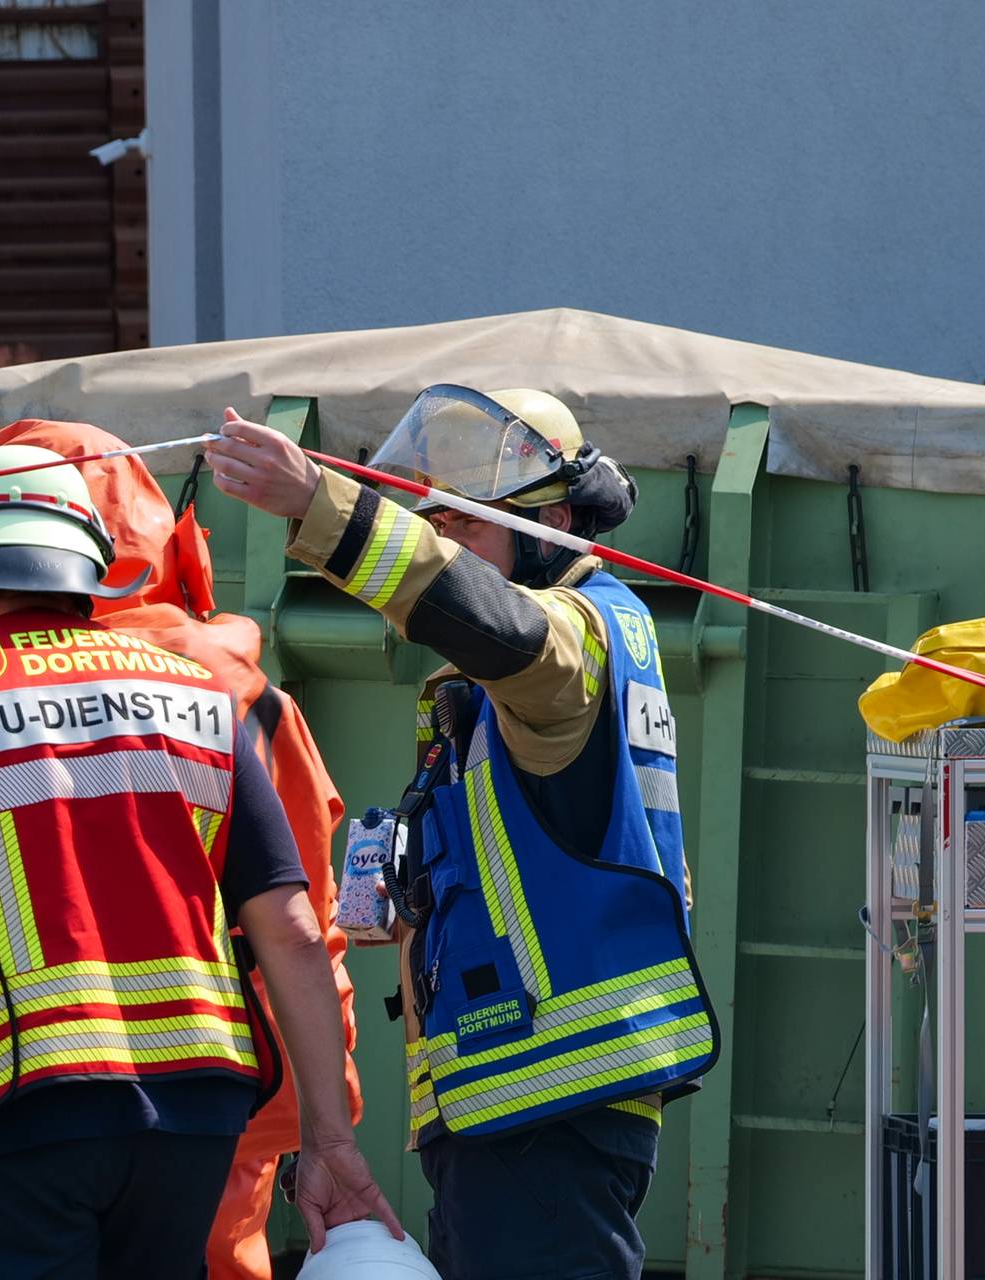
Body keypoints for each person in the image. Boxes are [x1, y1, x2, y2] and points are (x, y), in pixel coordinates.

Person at [0, 442, 397, 1278]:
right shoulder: (202, 698)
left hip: (12, 1113)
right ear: (90, 571)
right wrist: (329, 1140)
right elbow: (297, 932)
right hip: (194, 1119)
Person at [208, 387, 716, 1280]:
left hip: (550, 1106)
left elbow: (495, 619)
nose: (447, 550)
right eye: (432, 528)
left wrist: (319, 507)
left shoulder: (572, 643)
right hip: (515, 1107)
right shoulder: (508, 692)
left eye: (463, 532)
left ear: (552, 523)